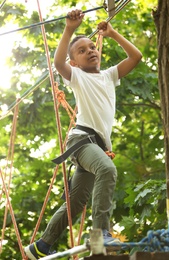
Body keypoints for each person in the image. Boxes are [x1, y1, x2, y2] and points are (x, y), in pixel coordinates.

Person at [25, 9, 142, 260]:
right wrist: (70, 29)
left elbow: (136, 56)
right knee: (108, 170)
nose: (90, 50)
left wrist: (112, 34)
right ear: (75, 63)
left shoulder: (109, 76)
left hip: (95, 146)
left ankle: (42, 245)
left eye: (92, 47)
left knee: (76, 203)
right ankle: (100, 233)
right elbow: (58, 64)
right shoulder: (76, 76)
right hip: (81, 141)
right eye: (82, 50)